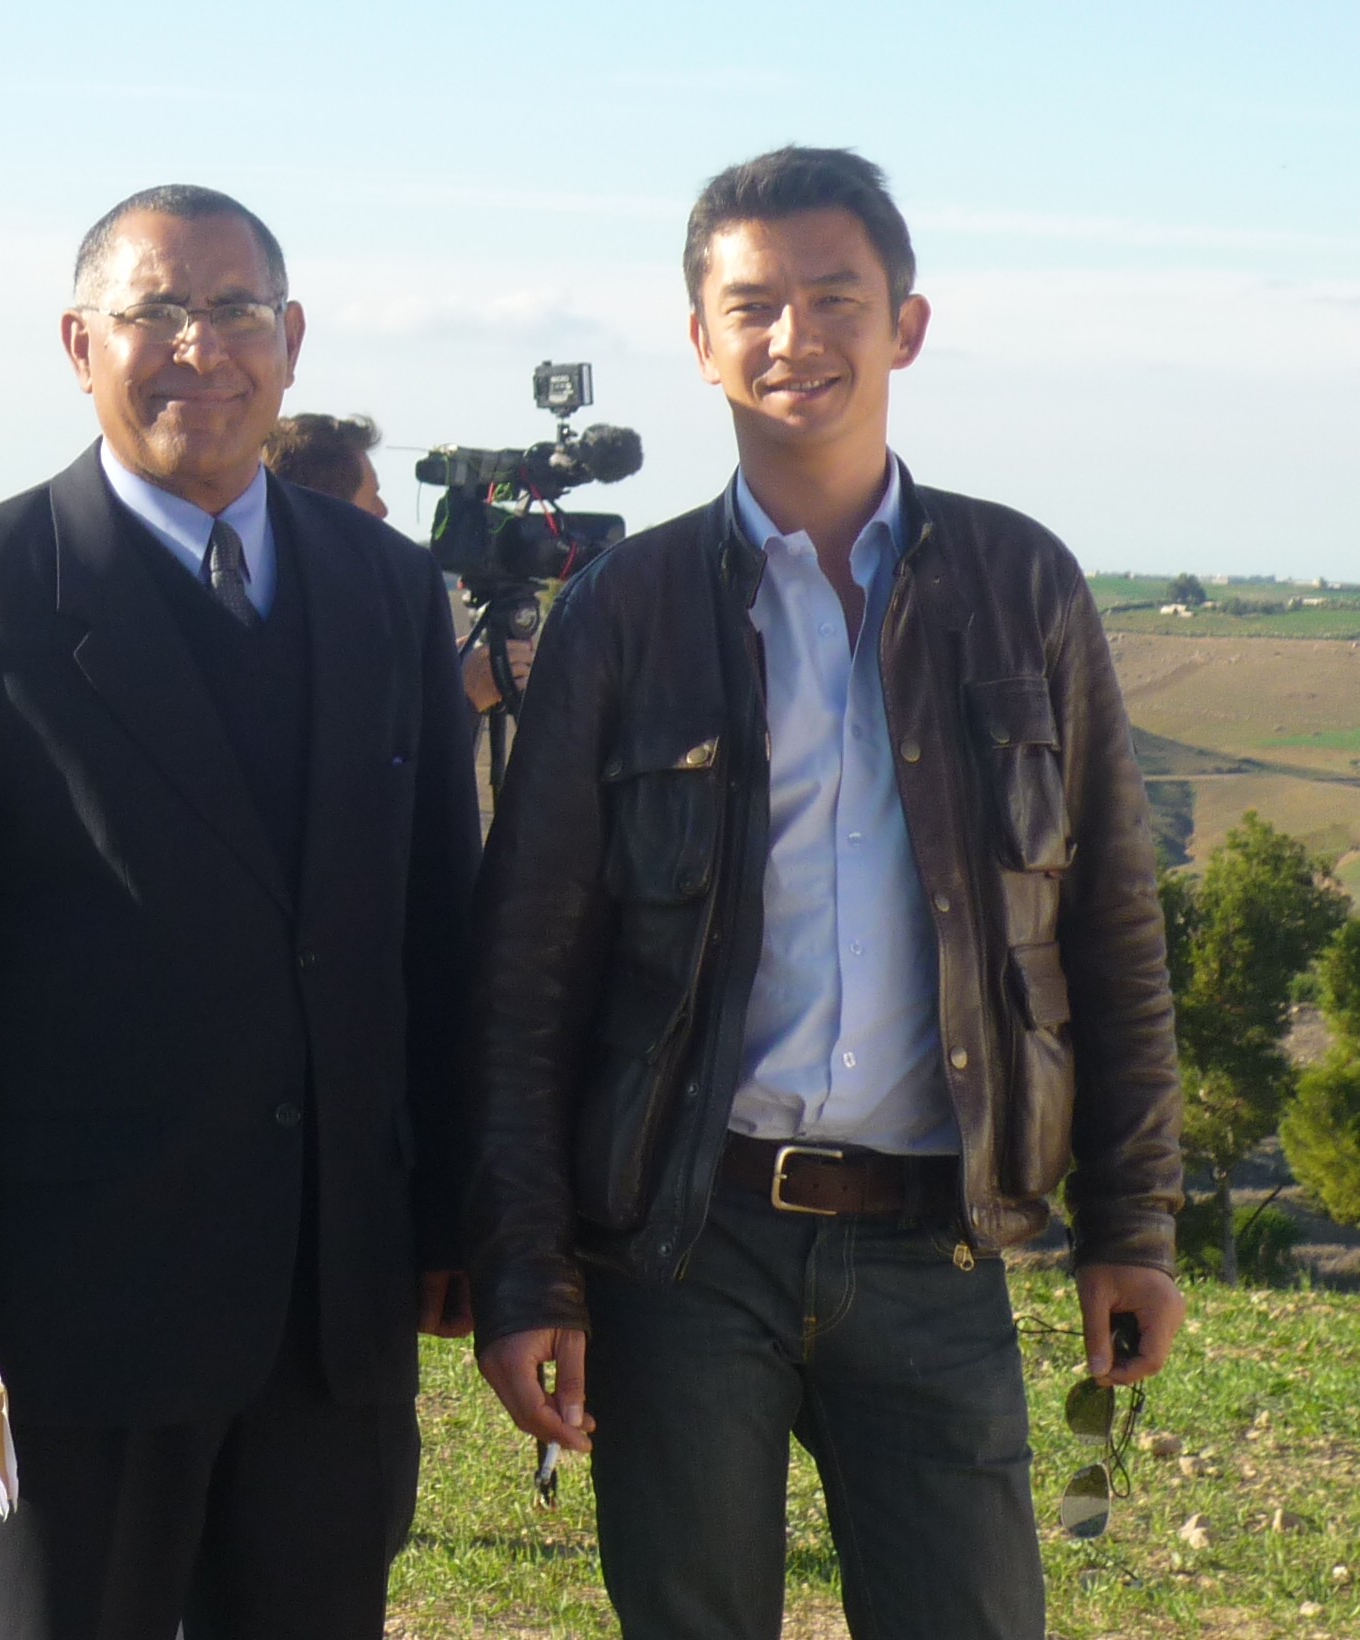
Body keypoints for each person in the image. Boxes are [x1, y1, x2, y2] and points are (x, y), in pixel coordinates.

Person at [464, 146, 1186, 1640]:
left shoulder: (1023, 584)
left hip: (937, 1242)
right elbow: (532, 967)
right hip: (683, 1244)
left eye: (835, 297)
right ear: (701, 341)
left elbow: (1111, 925)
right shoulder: (625, 612)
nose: (796, 335)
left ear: (905, 326)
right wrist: (529, 1267)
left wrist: (1135, 1223)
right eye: (756, 304)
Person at [0, 184, 480, 1640]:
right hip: (67, 1317)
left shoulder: (386, 591)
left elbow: (435, 928)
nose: (202, 347)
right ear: (79, 343)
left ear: (292, 341)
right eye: (156, 312)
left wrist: (451, 1214)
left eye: (238, 310)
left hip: (327, 1308)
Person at [263, 412, 533, 715]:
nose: (383, 511)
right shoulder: (314, 629)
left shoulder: (260, 595)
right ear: (332, 511)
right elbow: (362, 752)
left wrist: (435, 673)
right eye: (372, 497)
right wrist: (461, 698)